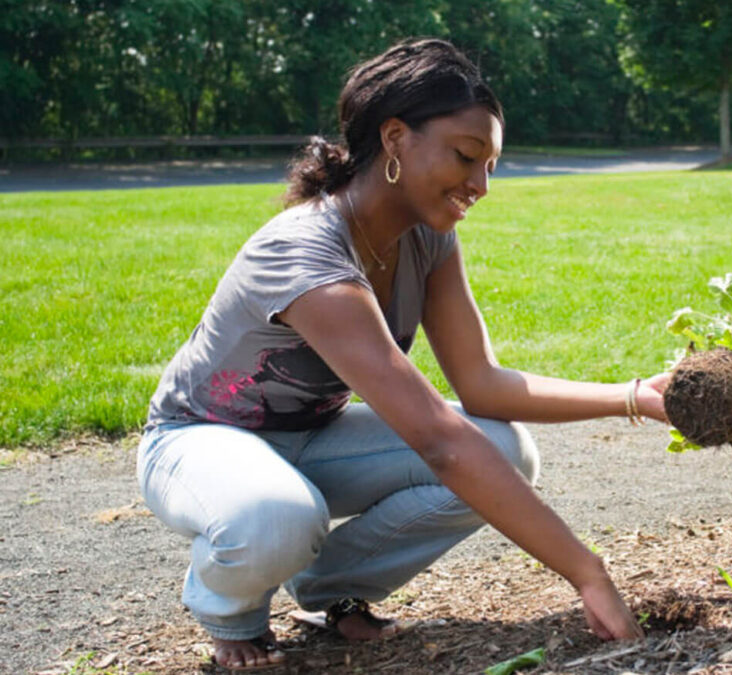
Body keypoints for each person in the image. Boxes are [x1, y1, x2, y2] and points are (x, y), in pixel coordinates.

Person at [137, 38, 670, 671]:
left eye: (491, 166)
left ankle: (331, 590)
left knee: (503, 450)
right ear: (395, 138)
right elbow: (438, 439)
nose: (481, 184)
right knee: (280, 517)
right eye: (466, 156)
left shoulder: (427, 240)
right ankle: (229, 611)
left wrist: (635, 397)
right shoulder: (304, 254)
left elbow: (481, 387)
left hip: (310, 436)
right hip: (198, 440)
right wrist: (587, 572)